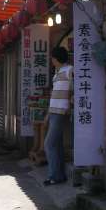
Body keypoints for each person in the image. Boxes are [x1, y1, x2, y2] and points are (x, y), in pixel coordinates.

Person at [44, 46, 73, 186]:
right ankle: (59, 175)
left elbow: (74, 90)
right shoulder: (57, 72)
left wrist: (69, 105)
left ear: (56, 58)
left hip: (61, 111)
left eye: (52, 58)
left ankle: (54, 176)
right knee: (57, 145)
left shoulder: (70, 70)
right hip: (54, 111)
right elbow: (54, 95)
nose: (51, 60)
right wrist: (48, 115)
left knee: (49, 144)